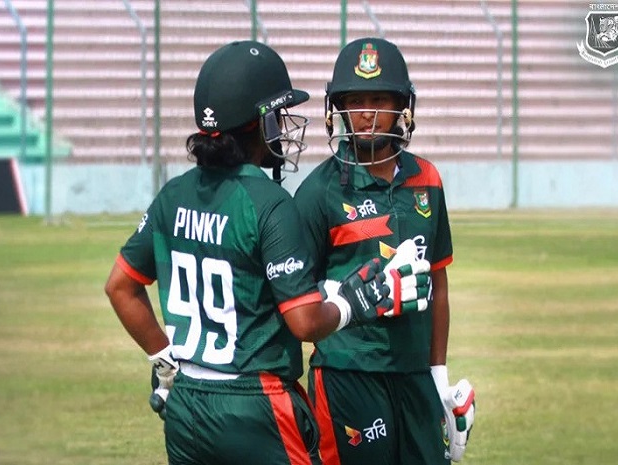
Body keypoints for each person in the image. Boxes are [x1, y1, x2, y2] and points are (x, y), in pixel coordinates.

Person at [104, 40, 432, 465]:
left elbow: (120, 287)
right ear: (257, 123)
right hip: (256, 401)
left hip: (186, 403)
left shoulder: (173, 195)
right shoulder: (268, 203)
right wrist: (354, 302)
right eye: (277, 115)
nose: (283, 126)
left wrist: (164, 358)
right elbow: (305, 322)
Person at [293, 37, 475, 465]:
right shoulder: (317, 191)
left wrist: (438, 375)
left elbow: (439, 283)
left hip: (416, 374)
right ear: (338, 109)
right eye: (356, 101)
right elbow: (295, 295)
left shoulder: (427, 178)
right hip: (347, 373)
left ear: (402, 107)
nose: (368, 113)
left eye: (380, 100)